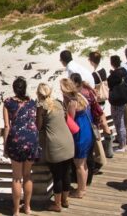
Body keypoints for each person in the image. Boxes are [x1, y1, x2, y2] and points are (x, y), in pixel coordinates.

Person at [3, 77, 40, 216]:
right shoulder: (32, 102)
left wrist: (5, 145)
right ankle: (28, 207)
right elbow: (34, 120)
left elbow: (7, 126)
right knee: (27, 175)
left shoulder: (8, 103)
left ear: (14, 89)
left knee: (16, 177)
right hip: (31, 138)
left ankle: (16, 210)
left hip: (17, 139)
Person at [36, 83, 75, 212]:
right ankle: (65, 200)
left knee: (57, 175)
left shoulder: (42, 107)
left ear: (39, 94)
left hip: (55, 144)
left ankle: (57, 204)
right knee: (66, 172)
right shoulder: (58, 103)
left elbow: (38, 126)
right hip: (68, 141)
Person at [62, 78, 92, 199]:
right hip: (86, 131)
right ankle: (83, 188)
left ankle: (80, 191)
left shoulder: (71, 102)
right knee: (84, 163)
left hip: (79, 134)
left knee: (79, 163)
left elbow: (70, 120)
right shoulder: (80, 97)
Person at [107, 55, 127, 152]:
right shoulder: (124, 71)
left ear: (112, 63)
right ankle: (123, 143)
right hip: (124, 98)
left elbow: (110, 83)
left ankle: (122, 145)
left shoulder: (114, 74)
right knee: (122, 122)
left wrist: (111, 74)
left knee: (119, 123)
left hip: (117, 100)